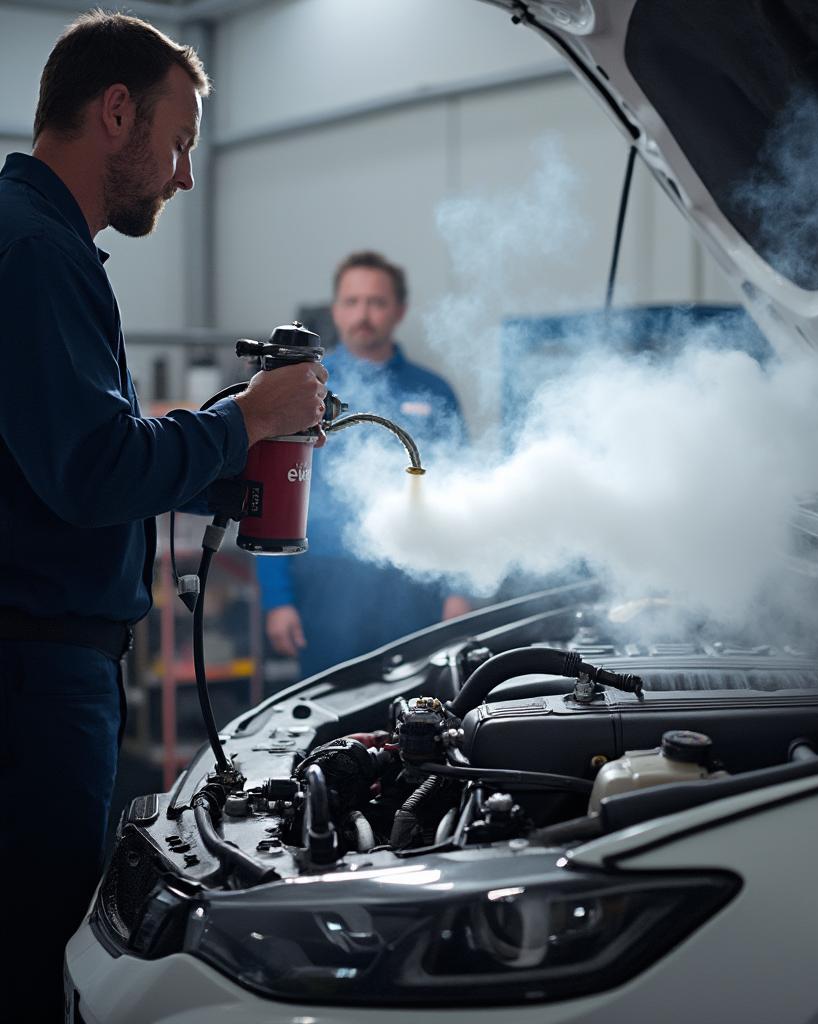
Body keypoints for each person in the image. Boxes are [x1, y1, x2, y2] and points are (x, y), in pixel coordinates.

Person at [0, 13, 329, 1018]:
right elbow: (94, 469)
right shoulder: (35, 255)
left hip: (44, 664)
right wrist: (244, 422)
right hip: (32, 678)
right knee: (29, 958)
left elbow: (62, 455)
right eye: (179, 140)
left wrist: (226, 457)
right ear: (114, 113)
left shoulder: (37, 242)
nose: (184, 174)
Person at [259, 251, 471, 676]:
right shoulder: (299, 390)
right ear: (336, 310)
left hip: (413, 584)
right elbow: (273, 493)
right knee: (329, 718)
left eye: (376, 302)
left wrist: (459, 590)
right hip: (326, 587)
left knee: (418, 715)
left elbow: (462, 495)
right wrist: (277, 600)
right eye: (352, 302)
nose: (364, 314)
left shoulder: (434, 392)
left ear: (399, 310)